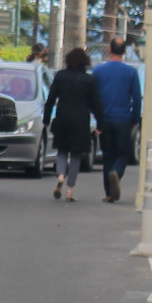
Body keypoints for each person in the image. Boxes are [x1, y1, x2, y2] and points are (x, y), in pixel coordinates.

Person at [42, 46, 102, 202]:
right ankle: (69, 190)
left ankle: (60, 175)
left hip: (62, 117)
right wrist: (101, 124)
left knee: (62, 150)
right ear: (85, 62)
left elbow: (50, 100)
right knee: (76, 154)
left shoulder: (60, 76)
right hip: (81, 120)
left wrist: (46, 119)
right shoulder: (89, 80)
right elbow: (96, 104)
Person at [92, 35, 142, 202]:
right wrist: (134, 120)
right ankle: (117, 173)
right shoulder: (131, 73)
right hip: (123, 120)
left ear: (110, 50)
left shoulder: (98, 71)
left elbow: (94, 97)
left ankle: (108, 193)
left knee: (107, 155)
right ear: (125, 52)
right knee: (122, 154)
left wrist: (97, 119)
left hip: (104, 119)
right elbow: (136, 99)